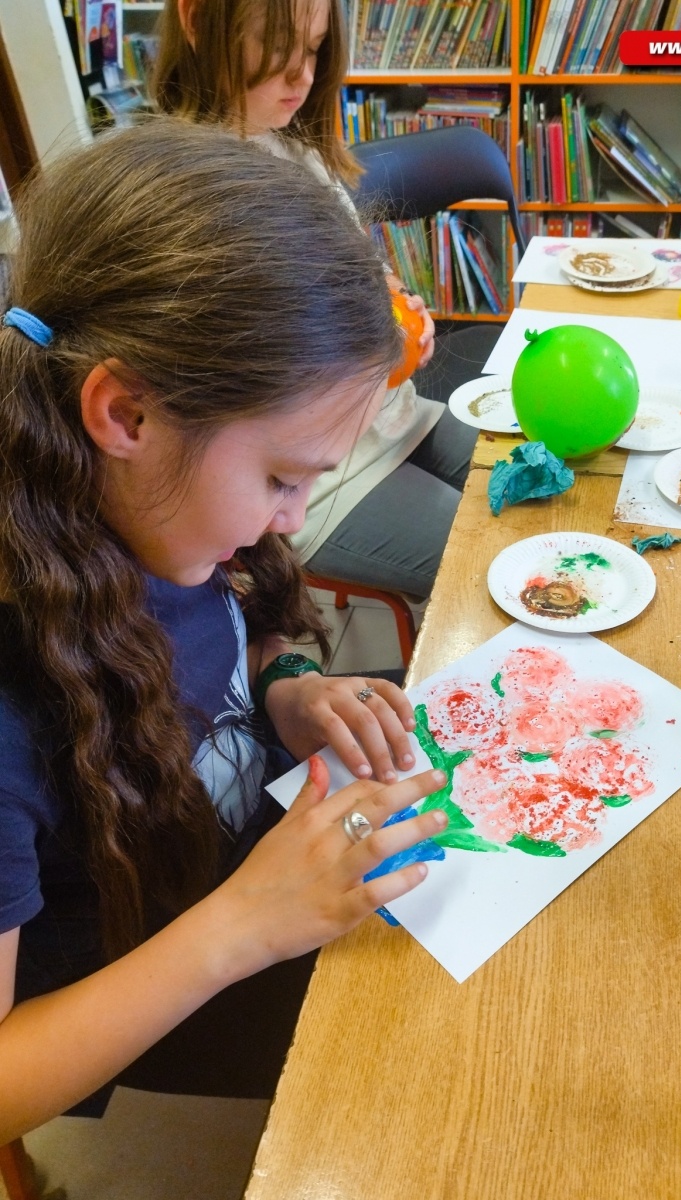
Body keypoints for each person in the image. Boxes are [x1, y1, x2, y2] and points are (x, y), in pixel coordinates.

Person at [0, 119, 449, 1141]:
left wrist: (288, 693)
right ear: (125, 416)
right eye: (284, 479)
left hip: (241, 875)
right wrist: (245, 924)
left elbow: (227, 642)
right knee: (439, 1052)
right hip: (158, 974)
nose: (294, 520)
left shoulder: (159, 521)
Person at [152, 0, 486, 599]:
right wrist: (371, 348)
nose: (302, 75)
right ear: (198, 20)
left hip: (392, 418)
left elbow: (364, 277)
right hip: (318, 478)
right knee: (489, 560)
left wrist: (397, 304)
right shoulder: (185, 191)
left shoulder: (294, 149)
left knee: (532, 497)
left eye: (313, 49)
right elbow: (246, 385)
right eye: (279, 50)